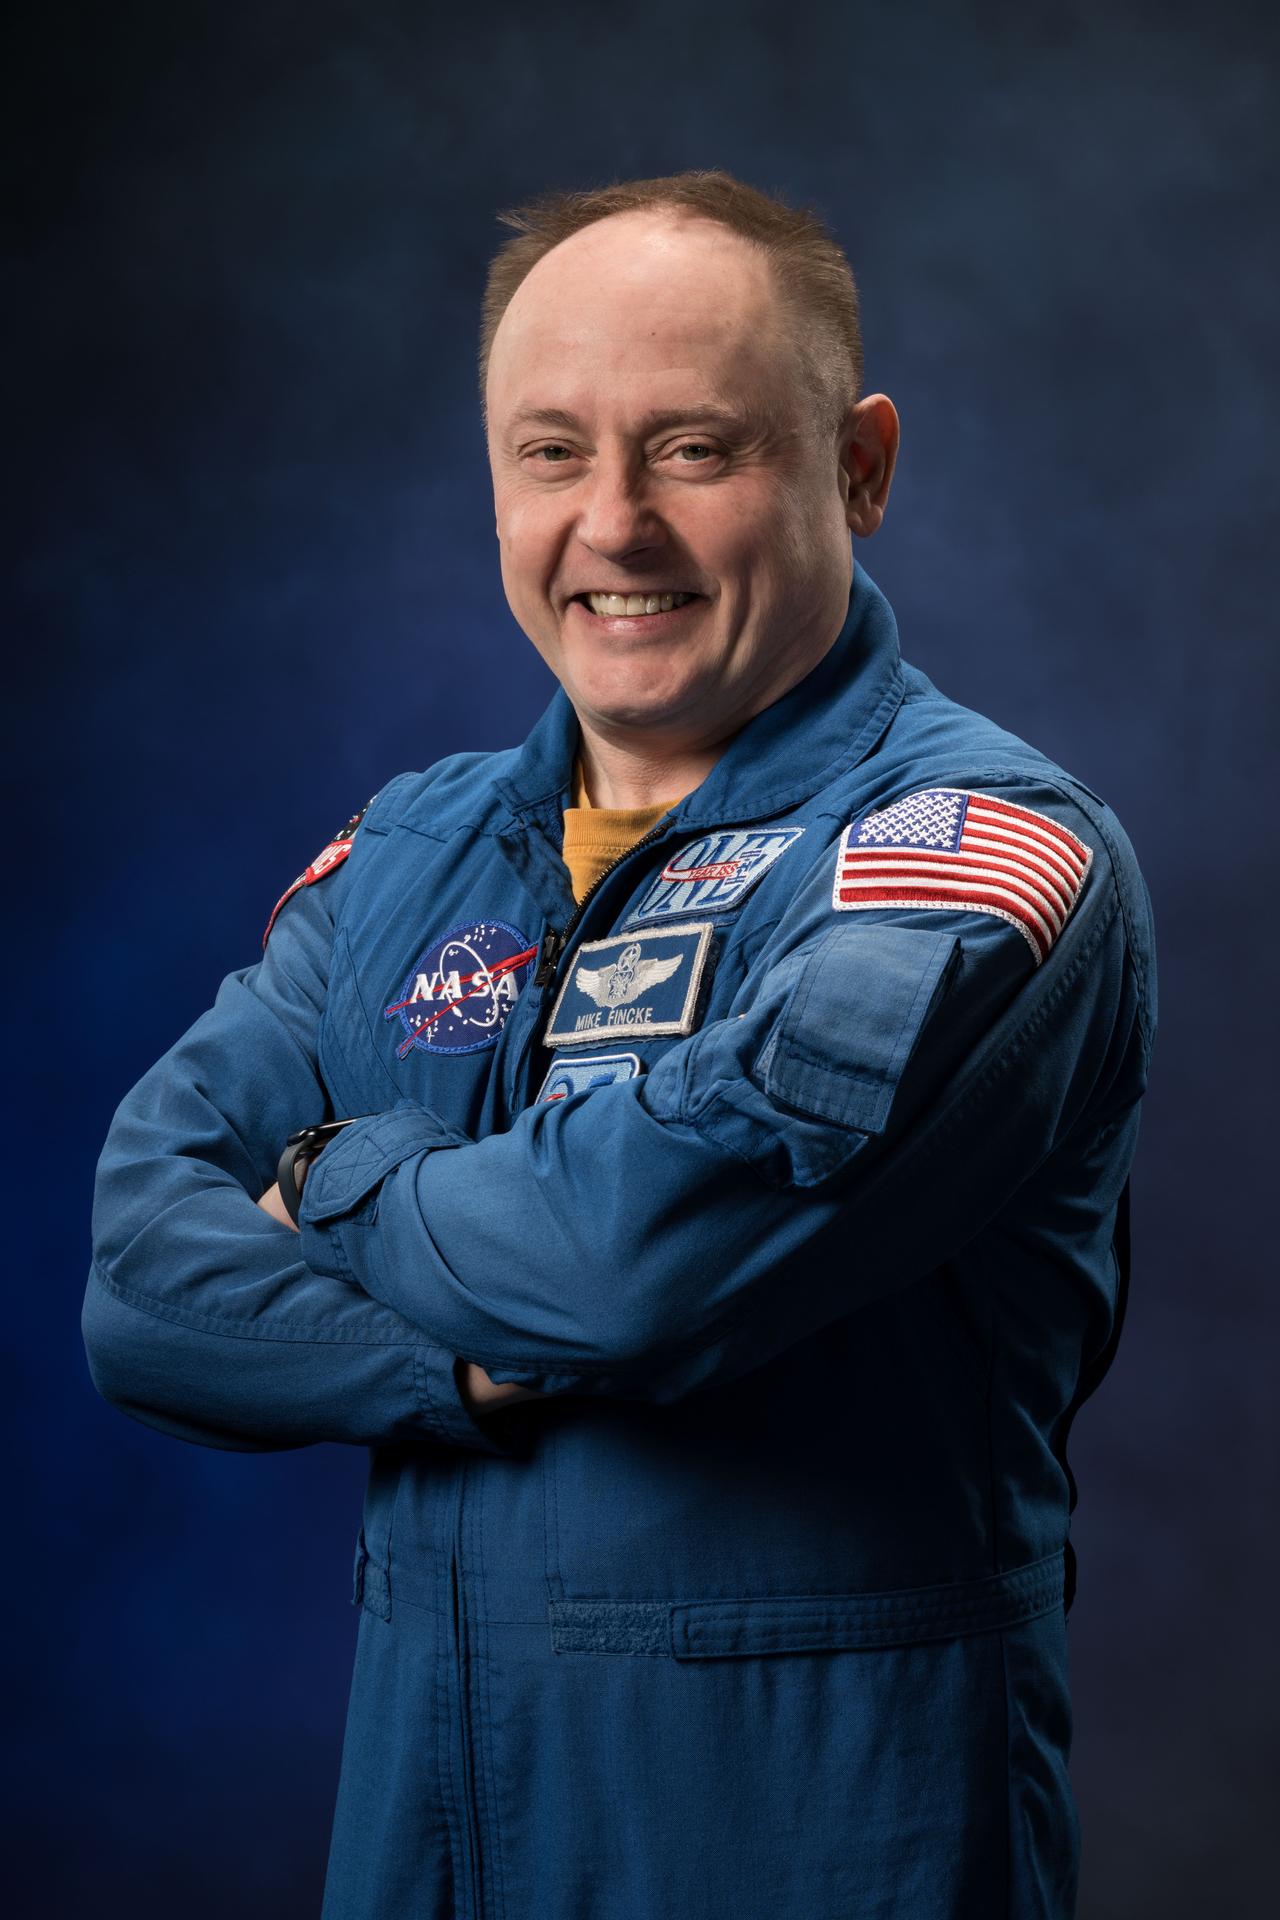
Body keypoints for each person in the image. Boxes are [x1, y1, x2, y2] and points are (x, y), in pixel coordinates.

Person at [84, 170, 1156, 1920]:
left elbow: (631, 1266)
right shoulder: (405, 860)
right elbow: (139, 1285)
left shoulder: (973, 858)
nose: (615, 528)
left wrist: (327, 1175)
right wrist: (476, 1356)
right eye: (552, 452)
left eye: (696, 449)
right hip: (427, 1846)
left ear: (859, 466)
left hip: (820, 1849)